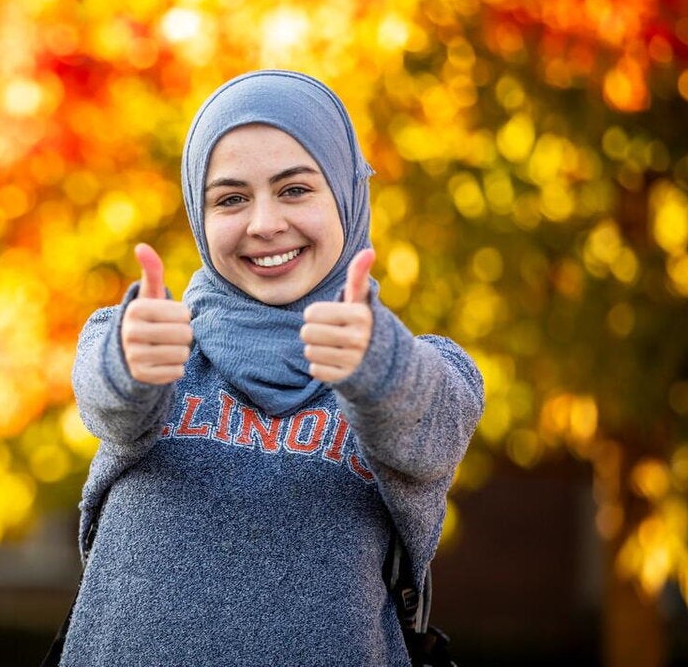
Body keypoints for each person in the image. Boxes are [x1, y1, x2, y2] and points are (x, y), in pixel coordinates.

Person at [58, 69, 484, 666]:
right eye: (231, 198)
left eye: (294, 190)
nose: (263, 224)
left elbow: (429, 426)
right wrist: (130, 361)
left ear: (344, 194)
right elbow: (108, 398)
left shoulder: (419, 368)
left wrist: (374, 360)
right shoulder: (152, 340)